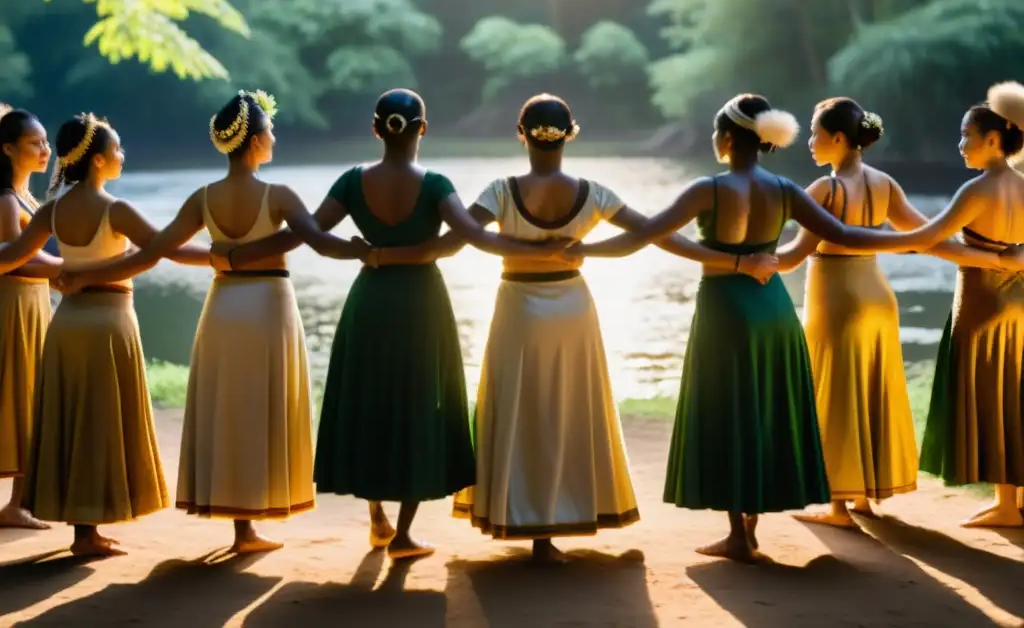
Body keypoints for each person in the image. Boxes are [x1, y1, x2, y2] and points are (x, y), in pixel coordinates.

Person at [378, 93, 777, 564]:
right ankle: (566, 516)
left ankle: (530, 525)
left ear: (521, 134)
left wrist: (384, 251)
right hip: (572, 307)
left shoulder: (501, 191)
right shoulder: (594, 192)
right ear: (571, 134)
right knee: (570, 409)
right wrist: (736, 260)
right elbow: (654, 236)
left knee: (522, 410)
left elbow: (458, 239)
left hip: (519, 309)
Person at [571, 93, 933, 562]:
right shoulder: (785, 188)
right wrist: (920, 236)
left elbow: (649, 235)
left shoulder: (709, 188)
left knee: (730, 412)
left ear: (725, 138)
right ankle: (751, 527)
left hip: (725, 306)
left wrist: (584, 251)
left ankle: (738, 535)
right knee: (761, 409)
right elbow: (843, 234)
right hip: (774, 309)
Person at [215, 88, 573, 559]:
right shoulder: (436, 184)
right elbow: (464, 239)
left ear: (376, 130)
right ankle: (403, 534)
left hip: (371, 299)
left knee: (372, 400)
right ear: (422, 129)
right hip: (421, 301)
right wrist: (538, 250)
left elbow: (311, 236)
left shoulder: (350, 181)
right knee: (419, 403)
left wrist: (239, 254)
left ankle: (377, 519)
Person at [60, 91, 362, 553]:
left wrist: (89, 276)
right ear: (257, 140)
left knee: (230, 407)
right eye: (271, 132)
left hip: (223, 307)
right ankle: (251, 524)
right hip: (268, 305)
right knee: (261, 406)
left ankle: (240, 527)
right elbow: (318, 241)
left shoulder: (203, 198)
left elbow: (155, 249)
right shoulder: (278, 195)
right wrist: (365, 251)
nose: (274, 137)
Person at [776, 98, 1013, 527]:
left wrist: (744, 260)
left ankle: (837, 507)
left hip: (837, 297)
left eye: (814, 133)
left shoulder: (822, 190)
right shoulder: (884, 184)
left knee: (836, 393)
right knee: (869, 389)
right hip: (879, 297)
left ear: (838, 138)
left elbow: (794, 256)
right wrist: (994, 260)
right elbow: (929, 239)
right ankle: (863, 497)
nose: (810, 142)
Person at [0, 113, 208, 556]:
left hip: (66, 325)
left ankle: (82, 532)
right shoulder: (117, 209)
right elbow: (159, 250)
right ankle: (89, 534)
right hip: (109, 322)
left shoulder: (52, 210)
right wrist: (220, 256)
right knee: (100, 425)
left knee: (73, 423)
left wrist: (72, 272)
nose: (122, 156)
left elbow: (12, 257)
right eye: (116, 150)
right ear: (97, 161)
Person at [0, 105, 61, 530]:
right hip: (12, 305)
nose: (45, 149)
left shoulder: (27, 195)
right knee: (14, 393)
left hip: (33, 302)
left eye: (45, 142)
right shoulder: (5, 198)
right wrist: (67, 270)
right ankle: (16, 503)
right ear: (6, 149)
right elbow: (17, 256)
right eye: (33, 143)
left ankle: (17, 503)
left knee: (28, 397)